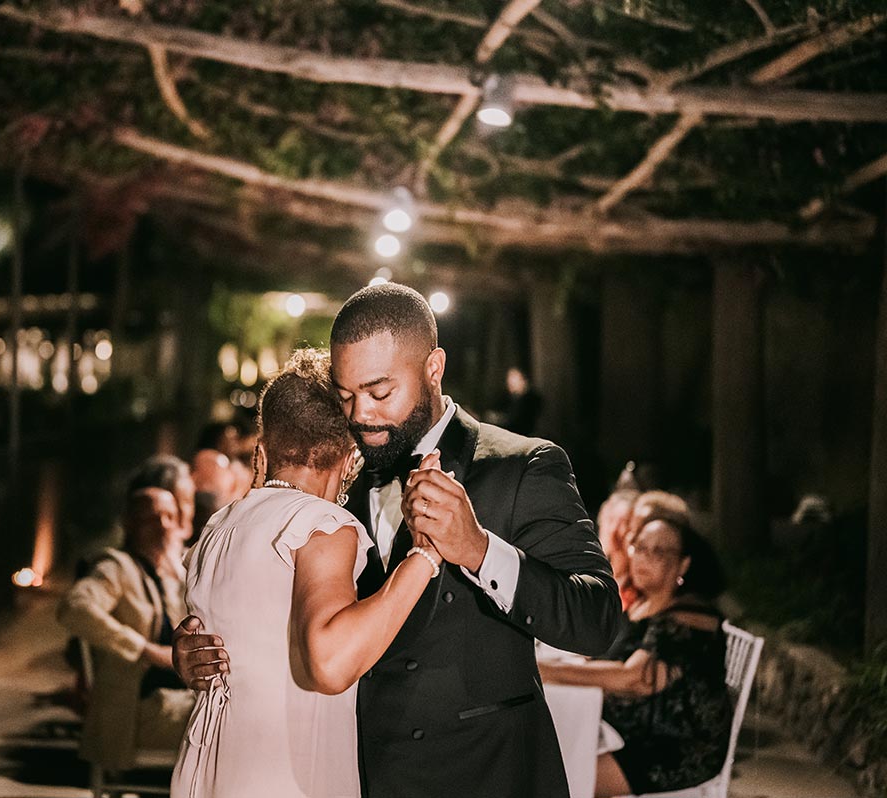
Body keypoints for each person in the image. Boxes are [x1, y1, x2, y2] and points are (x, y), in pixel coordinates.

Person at [175, 283, 621, 797]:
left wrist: (479, 549)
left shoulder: (523, 466)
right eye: (346, 397)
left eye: (380, 392)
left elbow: (598, 620)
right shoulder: (338, 488)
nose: (360, 416)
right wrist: (198, 651)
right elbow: (313, 618)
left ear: (434, 368)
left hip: (488, 775)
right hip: (361, 777)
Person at [171, 348, 441, 798]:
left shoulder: (219, 526)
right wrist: (425, 557)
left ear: (262, 448)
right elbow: (331, 664)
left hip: (208, 771)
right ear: (351, 456)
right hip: (284, 779)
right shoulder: (321, 526)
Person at [539, 515, 732, 796]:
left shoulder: (692, 616)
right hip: (627, 731)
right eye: (640, 547)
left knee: (552, 779)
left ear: (683, 565)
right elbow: (602, 658)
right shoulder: (642, 605)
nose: (645, 557)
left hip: (675, 746)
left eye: (659, 551)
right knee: (542, 751)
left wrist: (548, 671)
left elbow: (637, 678)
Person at [57, 485, 195, 774]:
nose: (163, 526)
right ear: (129, 524)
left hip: (180, 698)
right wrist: (144, 649)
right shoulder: (117, 567)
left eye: (170, 517)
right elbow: (75, 607)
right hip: (139, 710)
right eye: (152, 518)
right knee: (237, 723)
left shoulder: (170, 571)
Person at [597, 489, 639, 610]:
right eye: (610, 520)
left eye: (623, 522)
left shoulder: (641, 585)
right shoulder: (590, 574)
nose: (614, 530)